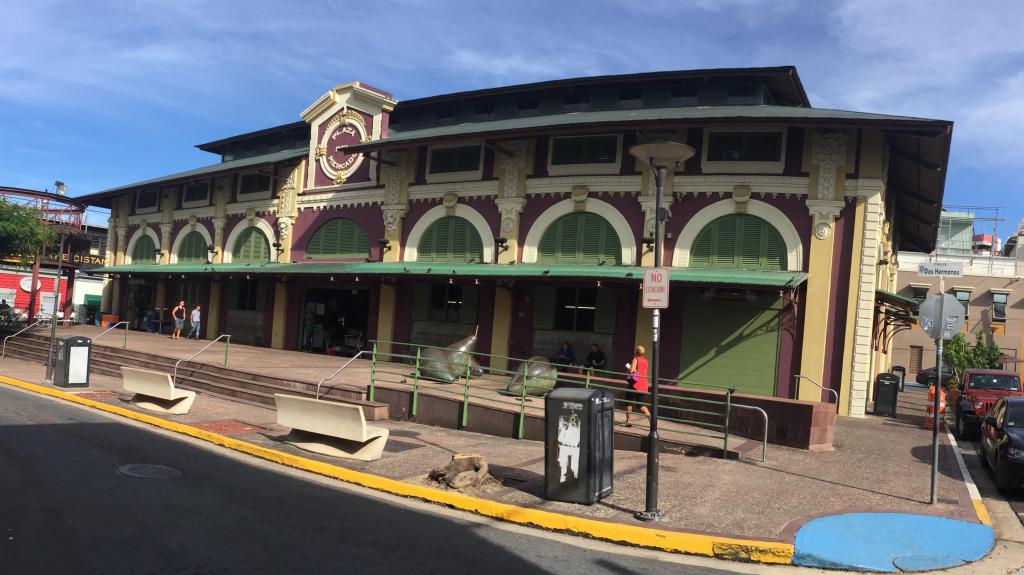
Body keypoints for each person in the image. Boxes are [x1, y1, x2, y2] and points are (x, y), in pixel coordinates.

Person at [623, 345, 651, 426]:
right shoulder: (646, 361)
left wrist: (629, 368)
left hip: (635, 384)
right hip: (643, 385)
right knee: (640, 404)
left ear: (636, 351)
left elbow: (631, 371)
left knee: (628, 401)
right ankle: (650, 417)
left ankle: (628, 421)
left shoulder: (635, 359)